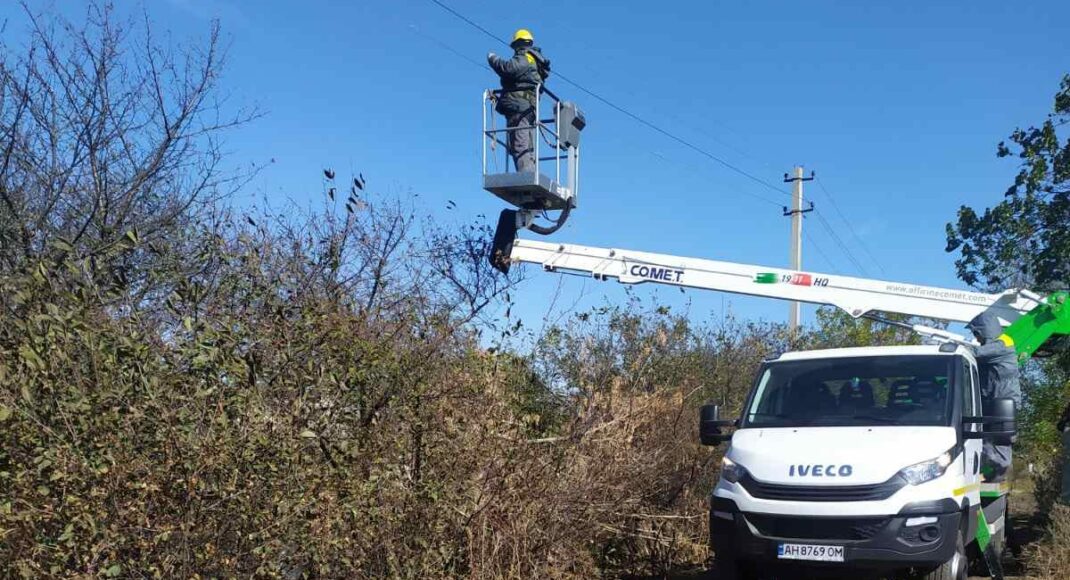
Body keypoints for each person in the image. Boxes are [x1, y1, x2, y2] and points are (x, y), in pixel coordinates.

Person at [967, 311, 1021, 482]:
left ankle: (995, 474)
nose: (977, 339)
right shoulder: (998, 345)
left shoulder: (1001, 345)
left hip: (1002, 403)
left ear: (984, 330)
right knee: (986, 439)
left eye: (977, 334)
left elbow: (975, 353)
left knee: (999, 439)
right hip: (995, 401)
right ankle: (988, 473)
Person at [488, 29, 551, 173]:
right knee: (525, 143)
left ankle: (526, 177)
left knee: (519, 144)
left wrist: (493, 59)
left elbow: (508, 69)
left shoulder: (526, 57)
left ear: (519, 44)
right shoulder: (533, 60)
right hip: (527, 106)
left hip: (520, 106)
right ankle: (529, 174)